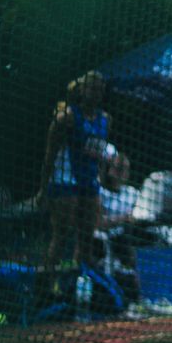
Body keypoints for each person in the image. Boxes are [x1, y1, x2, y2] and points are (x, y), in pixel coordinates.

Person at [39, 71, 112, 303]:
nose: (96, 93)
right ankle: (47, 287)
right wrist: (43, 189)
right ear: (81, 90)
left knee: (86, 238)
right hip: (64, 182)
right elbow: (49, 154)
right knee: (61, 235)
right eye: (92, 88)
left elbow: (100, 153)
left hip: (89, 183)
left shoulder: (105, 119)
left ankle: (79, 286)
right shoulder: (67, 117)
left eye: (100, 89)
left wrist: (99, 178)